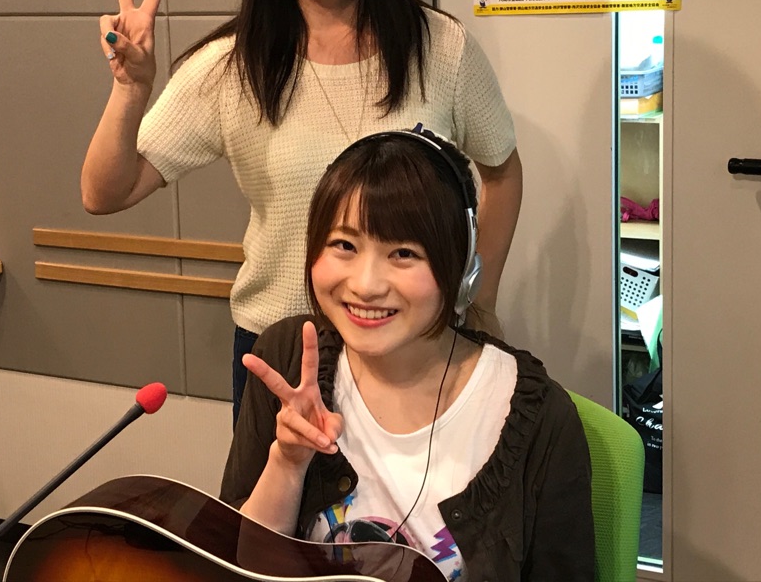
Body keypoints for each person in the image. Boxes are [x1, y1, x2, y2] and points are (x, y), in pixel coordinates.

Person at [81, 0, 523, 424]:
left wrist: (478, 299)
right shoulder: (232, 66)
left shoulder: (440, 48)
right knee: (275, 493)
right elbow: (103, 193)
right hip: (285, 356)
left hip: (417, 352)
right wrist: (130, 89)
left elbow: (502, 171)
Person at [221, 129, 595, 581]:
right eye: (344, 245)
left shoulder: (538, 417)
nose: (365, 285)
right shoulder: (290, 359)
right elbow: (240, 567)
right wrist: (287, 461)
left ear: (461, 270)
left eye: (402, 253)